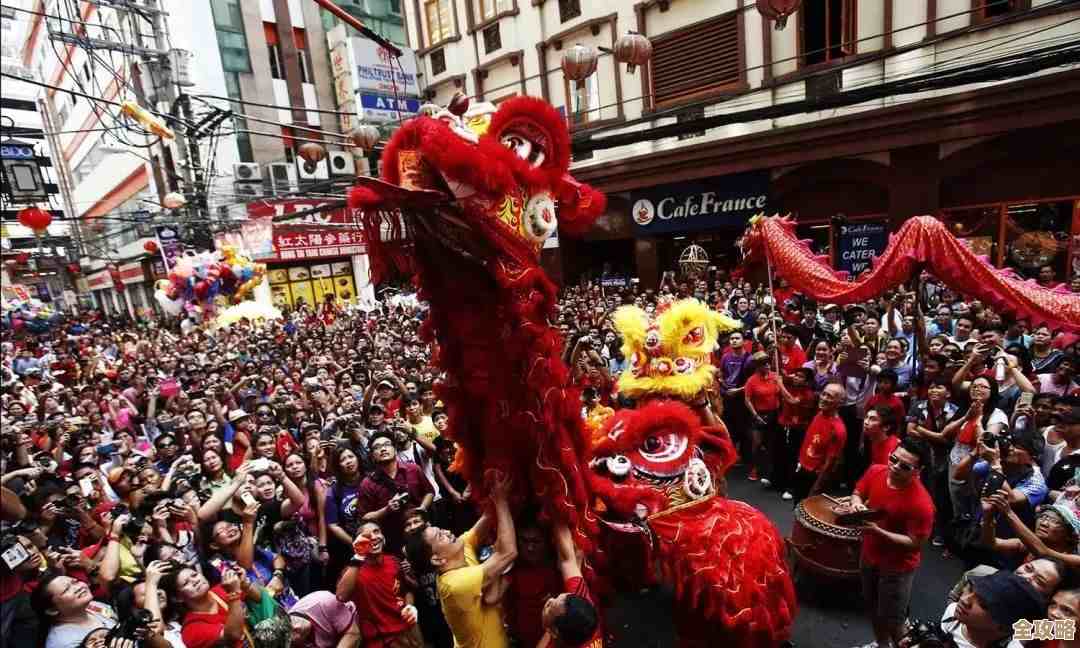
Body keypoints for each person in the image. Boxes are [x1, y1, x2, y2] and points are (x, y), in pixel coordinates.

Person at [405, 471, 517, 648]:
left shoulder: (459, 548)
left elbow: (488, 517)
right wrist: (501, 501)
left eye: (441, 530)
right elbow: (508, 553)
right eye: (440, 536)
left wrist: (492, 482)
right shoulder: (454, 585)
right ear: (437, 560)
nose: (448, 532)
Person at [846, 437, 935, 648]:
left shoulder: (921, 504)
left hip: (897, 569)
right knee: (873, 608)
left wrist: (878, 532)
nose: (895, 467)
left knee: (895, 621)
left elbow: (915, 543)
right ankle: (881, 643)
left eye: (904, 466)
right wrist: (856, 505)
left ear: (918, 470)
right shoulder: (876, 471)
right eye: (893, 459)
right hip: (869, 556)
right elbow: (858, 492)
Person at [335, 522, 421, 647]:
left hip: (407, 631)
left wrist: (410, 606)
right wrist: (359, 556)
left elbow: (407, 589)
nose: (374, 537)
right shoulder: (352, 571)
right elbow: (341, 596)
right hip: (379, 639)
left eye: (376, 532)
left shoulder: (394, 561)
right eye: (366, 535)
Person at [939, 571, 1046, 648]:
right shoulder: (952, 611)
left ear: (1004, 627)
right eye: (970, 589)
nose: (964, 600)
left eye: (982, 604)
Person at [539, 523, 602, 648]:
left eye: (548, 606)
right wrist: (558, 509)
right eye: (558, 597)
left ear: (555, 632)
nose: (550, 599)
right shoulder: (580, 609)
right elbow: (567, 559)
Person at [792, 382, 847, 503]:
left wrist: (815, 489)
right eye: (824, 394)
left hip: (814, 476)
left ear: (840, 402)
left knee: (807, 512)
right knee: (797, 506)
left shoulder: (838, 429)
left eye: (830, 396)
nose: (824, 398)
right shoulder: (820, 414)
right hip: (803, 468)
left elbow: (830, 464)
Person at [288, 591, 361, 648]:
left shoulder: (323, 602)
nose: (296, 627)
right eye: (291, 633)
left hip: (359, 628)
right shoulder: (292, 643)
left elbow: (353, 634)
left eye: (290, 622)